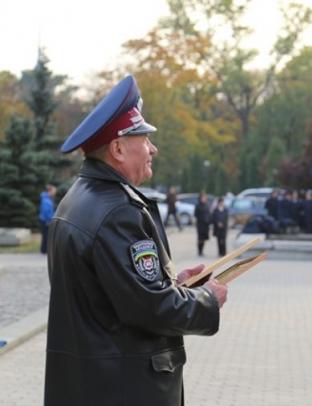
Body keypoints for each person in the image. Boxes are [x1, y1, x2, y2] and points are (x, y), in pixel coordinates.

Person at [45, 75, 228, 406]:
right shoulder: (118, 212)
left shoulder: (77, 199)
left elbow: (117, 291)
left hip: (90, 383)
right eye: (144, 139)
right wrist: (205, 299)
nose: (153, 148)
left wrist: (175, 283)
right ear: (117, 148)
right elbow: (150, 307)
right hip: (123, 387)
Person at [38, 184, 56, 254]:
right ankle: (44, 250)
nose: (54, 193)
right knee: (46, 236)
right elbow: (46, 212)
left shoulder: (47, 199)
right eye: (54, 191)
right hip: (46, 221)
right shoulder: (46, 200)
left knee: (46, 235)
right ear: (50, 191)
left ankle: (44, 250)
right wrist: (51, 219)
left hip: (45, 220)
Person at [194, 191, 211, 256]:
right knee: (200, 238)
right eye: (203, 197)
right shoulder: (198, 206)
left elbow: (209, 214)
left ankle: (202, 250)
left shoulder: (207, 205)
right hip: (200, 224)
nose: (204, 198)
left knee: (204, 238)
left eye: (205, 197)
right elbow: (195, 215)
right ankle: (199, 251)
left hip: (206, 224)